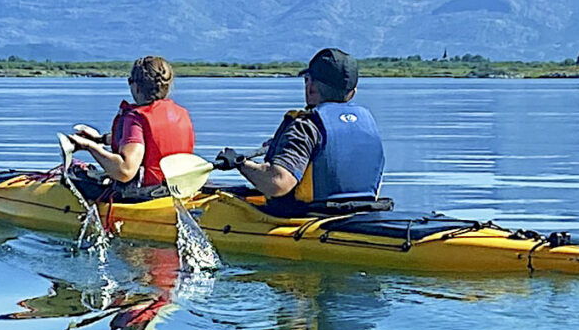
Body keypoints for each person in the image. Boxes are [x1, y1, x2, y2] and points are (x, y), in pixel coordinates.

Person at [215, 48, 385, 217]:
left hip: (307, 218)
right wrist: (280, 147)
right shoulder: (367, 124)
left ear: (311, 87)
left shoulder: (306, 126)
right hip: (362, 214)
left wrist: (240, 163)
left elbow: (279, 183)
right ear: (352, 93)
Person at [65, 55, 196, 204]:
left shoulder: (135, 118)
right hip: (174, 190)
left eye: (130, 81)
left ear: (137, 86)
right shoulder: (181, 114)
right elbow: (149, 140)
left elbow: (125, 171)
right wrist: (100, 139)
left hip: (143, 196)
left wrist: (90, 147)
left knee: (75, 174)